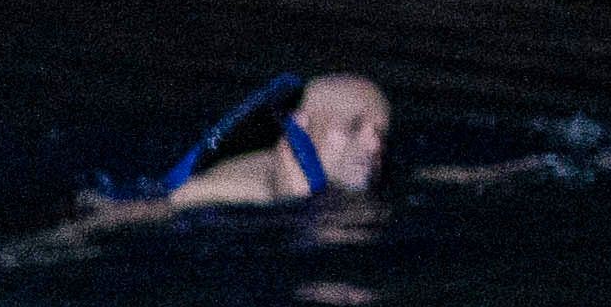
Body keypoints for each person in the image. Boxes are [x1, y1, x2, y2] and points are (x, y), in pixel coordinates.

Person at [85, 71, 391, 218]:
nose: (373, 144)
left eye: (381, 132)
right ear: (304, 125)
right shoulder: (255, 183)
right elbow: (143, 209)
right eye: (352, 127)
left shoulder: (351, 183)